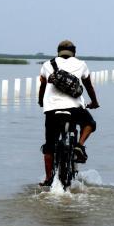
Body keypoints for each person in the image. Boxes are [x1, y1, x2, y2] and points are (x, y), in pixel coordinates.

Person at [38, 40, 99, 186]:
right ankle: (79, 145)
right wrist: (94, 102)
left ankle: (48, 179)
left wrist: (41, 102)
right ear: (74, 52)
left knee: (49, 146)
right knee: (90, 124)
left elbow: (42, 85)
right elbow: (88, 85)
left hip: (52, 109)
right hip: (75, 108)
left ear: (58, 51)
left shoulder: (47, 65)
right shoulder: (81, 64)